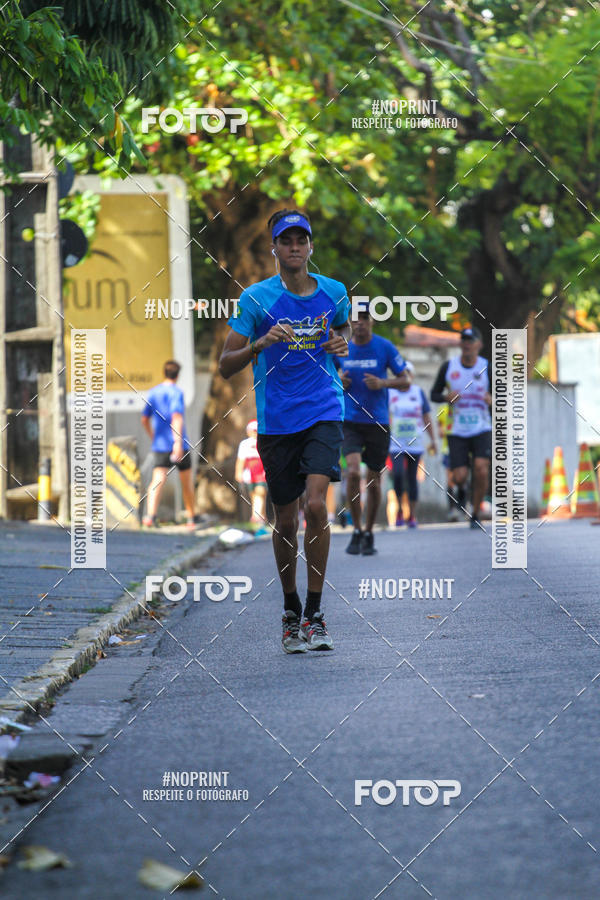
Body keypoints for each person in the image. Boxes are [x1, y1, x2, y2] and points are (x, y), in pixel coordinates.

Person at [219, 209, 351, 653]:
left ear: (310, 247)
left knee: (316, 505)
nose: (294, 247)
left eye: (302, 240)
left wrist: (340, 341)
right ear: (274, 249)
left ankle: (315, 614)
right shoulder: (256, 299)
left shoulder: (334, 291)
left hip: (323, 410)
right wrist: (260, 343)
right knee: (286, 519)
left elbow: (343, 327)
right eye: (286, 240)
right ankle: (290, 609)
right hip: (276, 421)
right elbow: (225, 365)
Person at [336, 309, 407, 555]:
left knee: (374, 480)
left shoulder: (384, 347)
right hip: (350, 420)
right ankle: (355, 529)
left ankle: (368, 531)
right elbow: (327, 376)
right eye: (355, 319)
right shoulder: (341, 346)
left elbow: (405, 380)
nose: (360, 323)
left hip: (377, 421)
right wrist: (338, 380)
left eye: (364, 318)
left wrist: (383, 383)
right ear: (350, 322)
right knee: (354, 472)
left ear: (371, 321)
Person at [430, 326, 492, 530]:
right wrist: (446, 397)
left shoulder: (487, 367)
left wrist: (493, 399)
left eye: (471, 340)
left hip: (482, 427)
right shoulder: (449, 366)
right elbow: (434, 394)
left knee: (482, 470)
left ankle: (475, 513)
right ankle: (463, 493)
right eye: (464, 340)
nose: (467, 344)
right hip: (457, 430)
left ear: (479, 345)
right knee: (459, 476)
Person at [141, 360, 196, 529]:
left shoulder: (153, 393)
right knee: (186, 482)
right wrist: (178, 443)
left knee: (157, 479)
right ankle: (191, 518)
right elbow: (177, 417)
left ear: (163, 372)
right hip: (179, 443)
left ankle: (150, 516)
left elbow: (144, 419)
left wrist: (153, 436)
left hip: (160, 444)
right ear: (178, 375)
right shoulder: (176, 393)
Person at [388, 363, 437, 527]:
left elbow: (426, 417)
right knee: (398, 475)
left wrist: (433, 440)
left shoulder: (418, 393)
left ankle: (412, 515)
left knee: (412, 478)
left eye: (408, 373)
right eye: (401, 374)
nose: (405, 377)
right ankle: (401, 509)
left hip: (415, 443)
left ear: (412, 376)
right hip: (395, 443)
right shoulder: (390, 392)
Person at [235, 419, 268, 527]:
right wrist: (238, 472)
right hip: (250, 473)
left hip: (262, 472)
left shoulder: (264, 441)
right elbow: (241, 460)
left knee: (261, 492)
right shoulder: (245, 444)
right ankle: (260, 518)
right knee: (254, 495)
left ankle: (256, 517)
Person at [437, 404, 466, 521]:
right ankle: (452, 510)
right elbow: (440, 432)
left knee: (462, 479)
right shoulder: (442, 409)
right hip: (448, 450)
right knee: (450, 480)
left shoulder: (464, 407)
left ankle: (462, 509)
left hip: (463, 450)